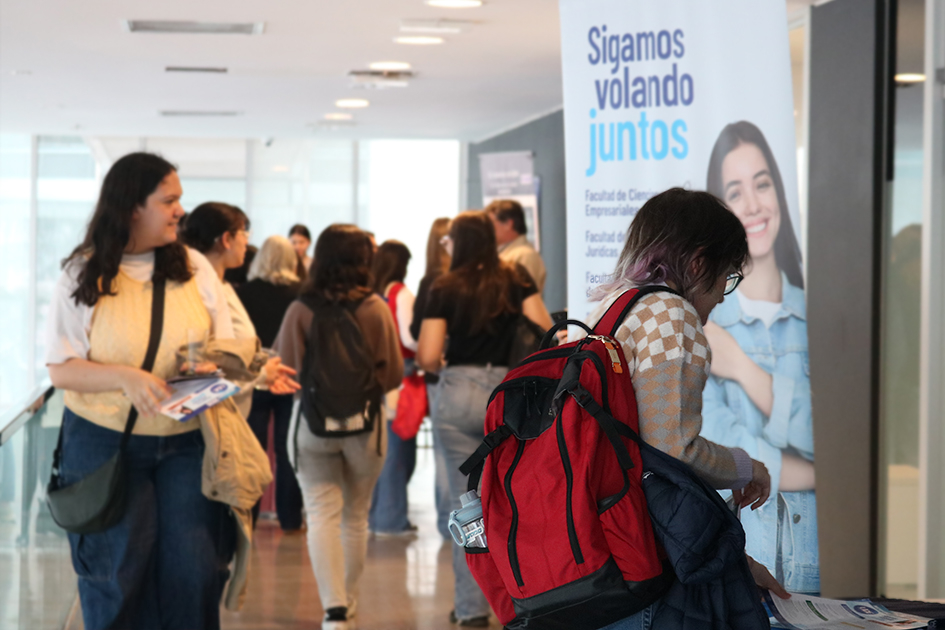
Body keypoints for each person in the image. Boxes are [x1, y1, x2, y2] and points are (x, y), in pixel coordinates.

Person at [45, 152, 238, 629]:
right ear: (133, 206)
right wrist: (125, 376)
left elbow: (226, 345)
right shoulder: (83, 273)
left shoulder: (194, 268)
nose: (179, 211)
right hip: (104, 445)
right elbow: (61, 370)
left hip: (188, 443)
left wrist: (210, 364)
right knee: (116, 577)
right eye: (168, 200)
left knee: (194, 576)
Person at [586, 188, 787, 629]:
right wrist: (746, 468)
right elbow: (674, 449)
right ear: (698, 264)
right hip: (647, 568)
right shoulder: (671, 316)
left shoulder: (612, 309)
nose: (721, 296)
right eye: (727, 277)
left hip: (606, 550)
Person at [417, 210, 553, 627]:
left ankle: (472, 609)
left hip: (458, 392)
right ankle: (524, 601)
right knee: (514, 503)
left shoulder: (444, 286)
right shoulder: (515, 278)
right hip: (508, 397)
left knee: (467, 506)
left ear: (459, 242)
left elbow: (426, 355)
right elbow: (546, 329)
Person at [702, 121, 818, 593]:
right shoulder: (706, 322)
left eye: (762, 183)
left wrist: (744, 371)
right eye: (735, 191)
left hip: (822, 564)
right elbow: (719, 448)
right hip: (743, 564)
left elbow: (830, 430)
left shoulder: (819, 312)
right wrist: (818, 470)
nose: (753, 204)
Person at [273, 224, 403, 630]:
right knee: (355, 517)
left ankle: (333, 613)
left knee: (322, 514)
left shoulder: (301, 309)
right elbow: (394, 374)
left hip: (311, 427)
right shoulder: (375, 308)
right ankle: (347, 602)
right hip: (366, 428)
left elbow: (286, 369)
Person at [183, 203, 297, 420]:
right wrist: (262, 374)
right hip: (208, 421)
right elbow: (205, 367)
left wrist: (263, 373)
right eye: (244, 234)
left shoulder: (222, 286)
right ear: (226, 239)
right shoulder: (199, 291)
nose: (247, 241)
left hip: (230, 414)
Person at [237, 235, 305, 531]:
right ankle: (290, 518)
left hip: (255, 376)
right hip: (291, 376)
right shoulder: (301, 293)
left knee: (251, 448)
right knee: (286, 450)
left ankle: (247, 516)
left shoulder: (243, 293)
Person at [369, 240, 421, 536]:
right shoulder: (401, 295)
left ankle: (378, 514)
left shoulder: (373, 296)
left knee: (382, 449)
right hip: (403, 376)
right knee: (398, 450)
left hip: (378, 376)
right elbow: (410, 339)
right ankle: (391, 518)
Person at [409, 217, 453, 540]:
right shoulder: (467, 280)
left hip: (438, 372)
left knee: (443, 451)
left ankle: (446, 523)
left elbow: (415, 331)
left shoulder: (431, 282)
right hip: (475, 372)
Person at [486, 199, 547, 295]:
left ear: (508, 224)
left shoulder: (525, 256)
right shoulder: (506, 253)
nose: (487, 229)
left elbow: (521, 297)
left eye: (490, 223)